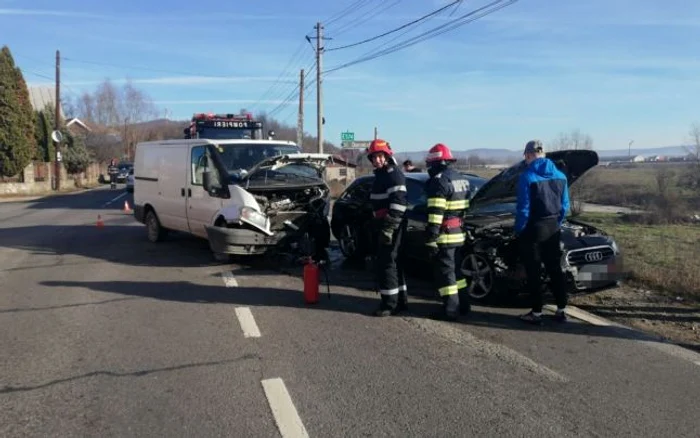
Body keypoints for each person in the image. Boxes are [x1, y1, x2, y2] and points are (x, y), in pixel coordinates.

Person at [515, 140, 570, 325]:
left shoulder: (527, 176)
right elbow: (565, 206)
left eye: (526, 156)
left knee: (534, 271)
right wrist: (557, 222)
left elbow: (523, 209)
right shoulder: (561, 176)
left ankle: (536, 313)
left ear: (529, 155)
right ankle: (561, 310)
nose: (526, 159)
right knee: (555, 269)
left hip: (534, 228)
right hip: (553, 227)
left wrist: (519, 230)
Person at [424, 143, 471, 321]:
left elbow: (436, 213)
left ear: (436, 162)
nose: (429, 168)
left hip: (445, 234)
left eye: (430, 164)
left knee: (446, 274)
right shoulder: (461, 179)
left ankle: (450, 310)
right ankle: (464, 305)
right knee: (457, 273)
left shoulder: (439, 181)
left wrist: (431, 238)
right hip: (459, 233)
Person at [366, 139, 409, 317]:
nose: (376, 160)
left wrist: (388, 228)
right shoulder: (383, 174)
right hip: (385, 224)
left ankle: (389, 304)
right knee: (394, 263)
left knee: (387, 263)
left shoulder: (392, 174)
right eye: (374, 157)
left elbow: (399, 203)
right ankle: (401, 300)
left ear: (387, 156)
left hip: (392, 225)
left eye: (379, 156)